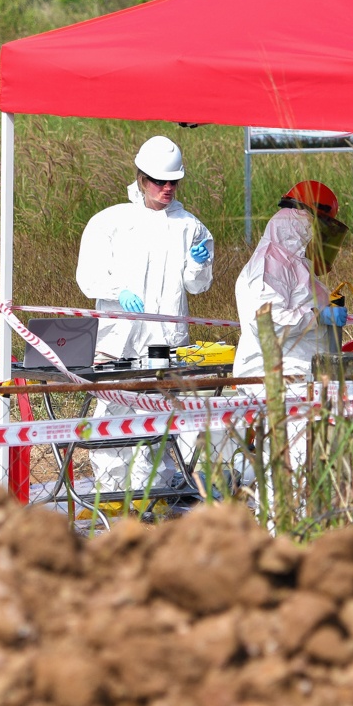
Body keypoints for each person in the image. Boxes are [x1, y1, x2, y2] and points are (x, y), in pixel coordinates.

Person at [74, 135, 215, 493]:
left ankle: (155, 492)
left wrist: (199, 265)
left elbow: (197, 286)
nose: (167, 188)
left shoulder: (191, 227)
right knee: (111, 414)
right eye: (159, 181)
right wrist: (116, 292)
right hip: (117, 340)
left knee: (161, 417)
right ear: (141, 178)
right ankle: (111, 491)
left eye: (173, 181)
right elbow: (88, 277)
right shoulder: (110, 222)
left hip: (165, 343)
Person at [232, 181, 348, 381]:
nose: (324, 240)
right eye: (323, 228)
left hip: (299, 376)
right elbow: (267, 324)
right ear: (304, 222)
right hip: (274, 382)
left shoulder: (292, 263)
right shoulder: (269, 264)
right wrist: (317, 316)